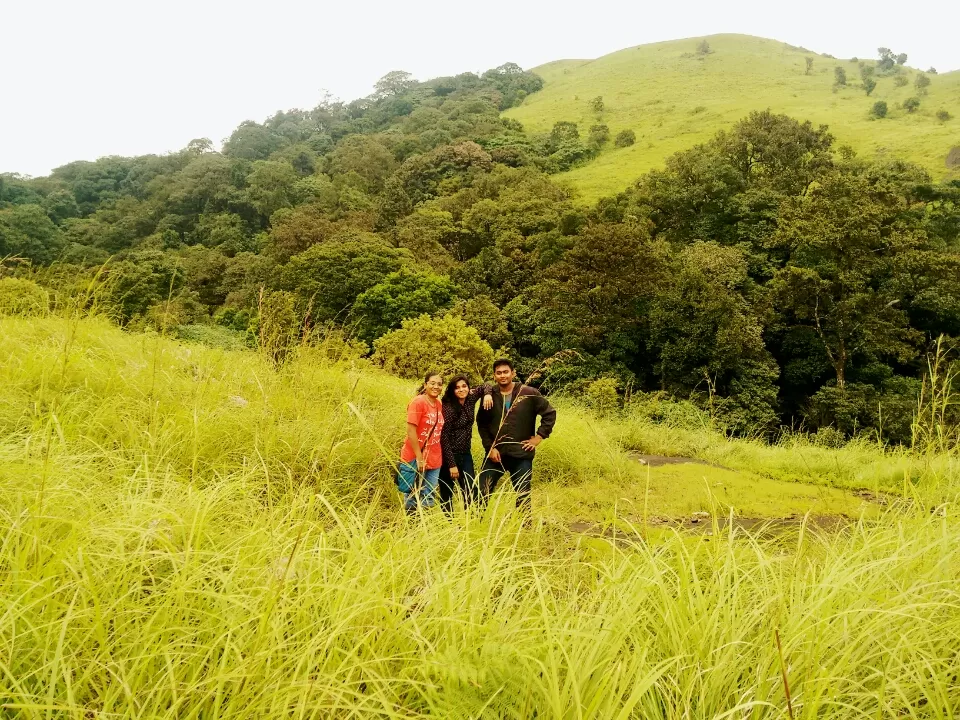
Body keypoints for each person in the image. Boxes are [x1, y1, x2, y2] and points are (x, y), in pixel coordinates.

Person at [476, 358, 556, 511]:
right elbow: (482, 424)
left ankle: (524, 525)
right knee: (481, 492)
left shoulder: (528, 393)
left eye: (506, 372)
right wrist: (490, 447)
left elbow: (549, 413)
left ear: (513, 373)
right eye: (499, 373)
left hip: (521, 453)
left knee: (522, 495)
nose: (502, 375)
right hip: (495, 454)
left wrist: (539, 437)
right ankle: (476, 522)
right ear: (494, 376)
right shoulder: (490, 395)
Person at [438, 376, 493, 512]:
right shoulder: (448, 408)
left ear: (469, 388)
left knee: (470, 489)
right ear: (452, 390)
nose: (461, 390)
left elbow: (486, 385)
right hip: (448, 455)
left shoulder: (470, 399)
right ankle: (448, 521)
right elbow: (444, 437)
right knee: (446, 492)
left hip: (465, 453)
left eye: (464, 386)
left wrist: (487, 395)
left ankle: (468, 519)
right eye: (457, 388)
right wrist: (452, 464)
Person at [396, 372, 445, 513]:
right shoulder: (418, 402)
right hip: (415, 457)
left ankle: (425, 523)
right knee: (413, 494)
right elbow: (411, 431)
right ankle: (412, 522)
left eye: (439, 384)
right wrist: (419, 457)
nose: (436, 386)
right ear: (425, 385)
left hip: (435, 458)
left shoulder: (438, 404)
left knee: (429, 495)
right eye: (432, 383)